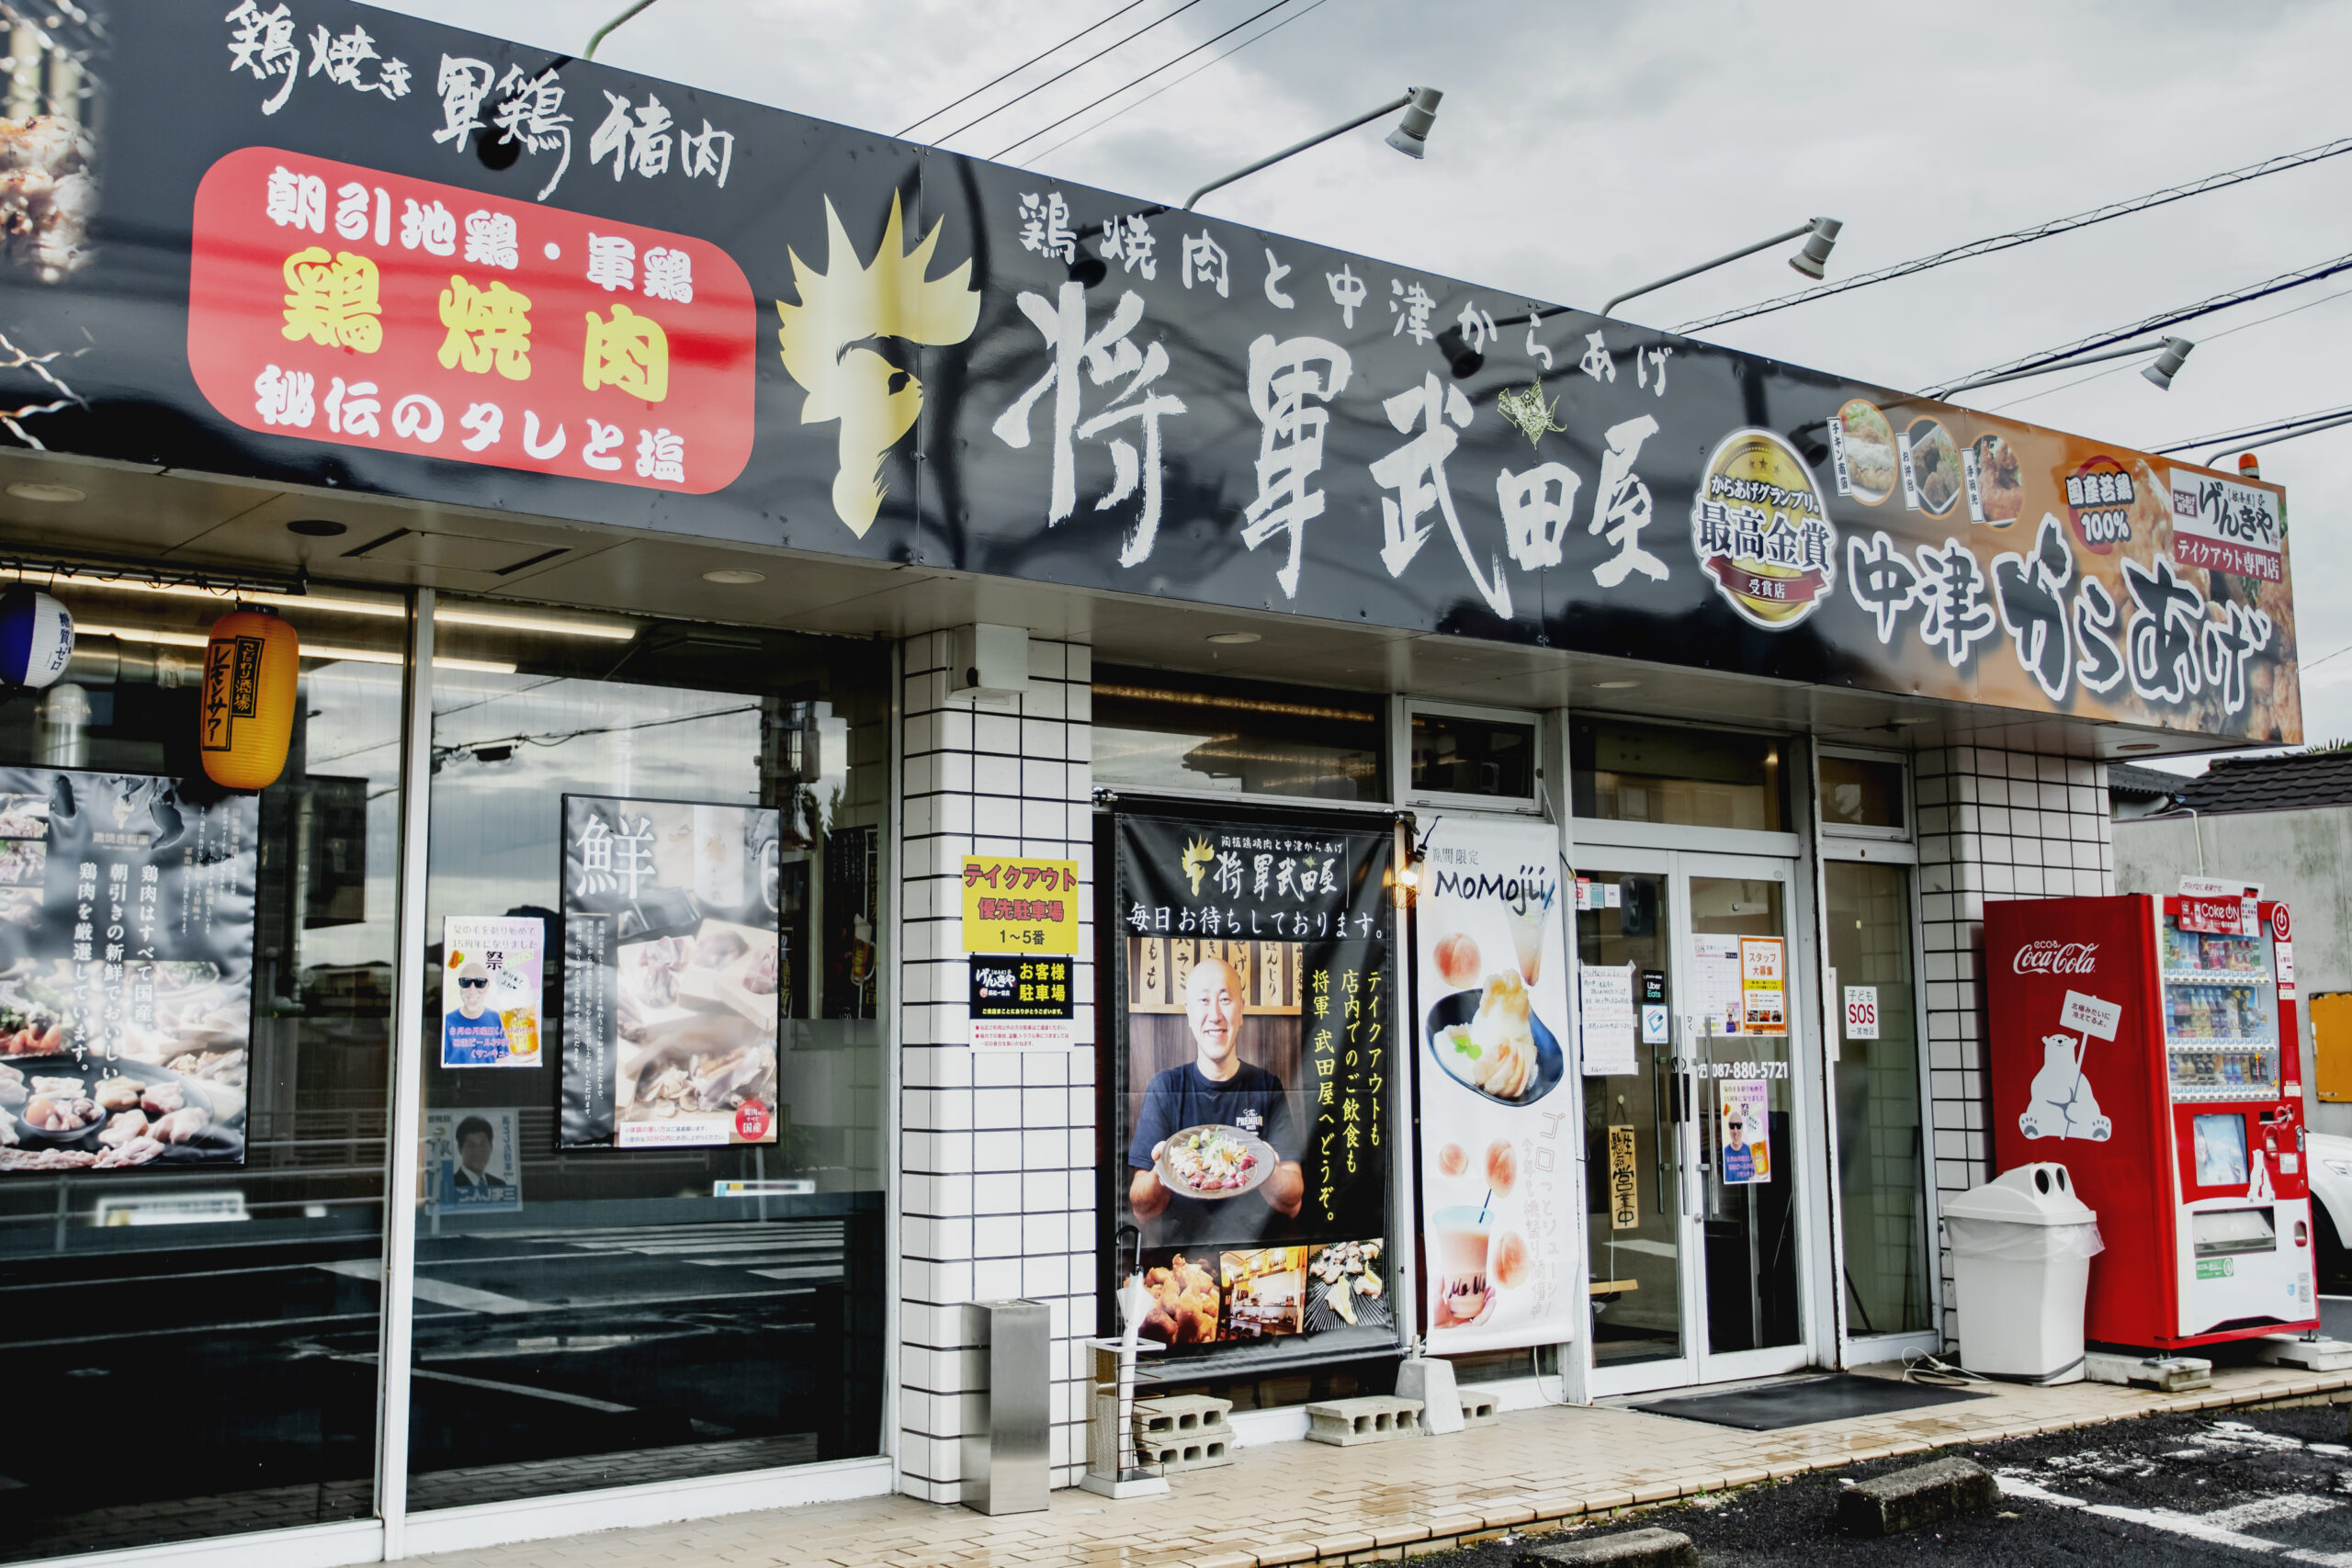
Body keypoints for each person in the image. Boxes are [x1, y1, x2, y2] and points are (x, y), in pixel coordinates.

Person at [1127, 955, 1305, 1246]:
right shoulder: (1166, 1088)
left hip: (1254, 1261)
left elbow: (1293, 1199)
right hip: (1184, 1262)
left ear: (1241, 1011)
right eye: (1203, 1001)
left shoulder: (1266, 1086)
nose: (1215, 1015)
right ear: (1188, 1013)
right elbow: (1141, 1208)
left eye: (1225, 1000)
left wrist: (1267, 1166)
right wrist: (1161, 1174)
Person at [442, 959, 509, 1066]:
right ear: (459, 986)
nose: (472, 990)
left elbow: (502, 1063)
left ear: (488, 986)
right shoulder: (447, 1022)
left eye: (480, 983)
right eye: (465, 982)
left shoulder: (498, 1020)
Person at [450, 1115, 507, 1190]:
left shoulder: (499, 1185)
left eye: (483, 1144)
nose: (478, 1151)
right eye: (471, 1145)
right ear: (460, 1149)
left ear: (491, 1147)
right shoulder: (450, 1184)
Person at [1722, 1112, 1760, 1183]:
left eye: (1739, 1126)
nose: (1735, 1131)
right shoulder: (1724, 1153)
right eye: (1732, 1126)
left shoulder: (1749, 1150)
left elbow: (1751, 1179)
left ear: (1743, 1128)